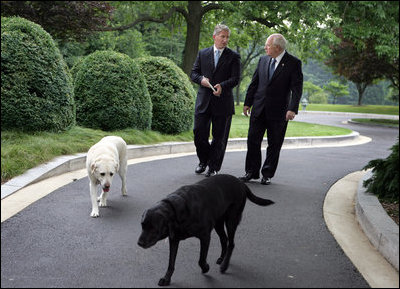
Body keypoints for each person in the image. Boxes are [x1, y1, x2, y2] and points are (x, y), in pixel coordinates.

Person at [239, 33, 303, 185]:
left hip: (279, 112)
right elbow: (254, 83)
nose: (265, 47)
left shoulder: (293, 63)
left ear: (278, 47)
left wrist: (292, 108)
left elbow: (297, 88)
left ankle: (267, 174)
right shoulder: (262, 60)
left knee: (274, 144)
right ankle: (251, 172)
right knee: (253, 141)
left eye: (268, 45)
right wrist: (248, 103)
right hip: (259, 108)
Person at [190, 24, 241, 177]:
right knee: (199, 134)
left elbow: (235, 79)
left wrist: (222, 86)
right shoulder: (203, 53)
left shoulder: (233, 56)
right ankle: (203, 161)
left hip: (223, 103)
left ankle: (213, 167)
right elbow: (194, 73)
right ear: (214, 37)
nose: (225, 40)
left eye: (227, 37)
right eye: (222, 37)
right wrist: (201, 80)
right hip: (203, 101)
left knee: (219, 138)